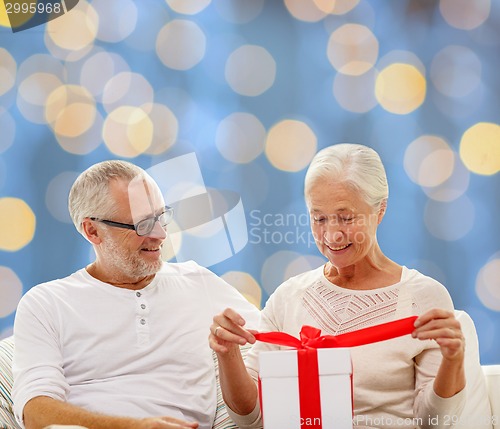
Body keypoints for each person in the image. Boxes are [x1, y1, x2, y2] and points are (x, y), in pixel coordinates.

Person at [209, 144, 469, 429]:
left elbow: (434, 423)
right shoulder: (288, 298)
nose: (331, 235)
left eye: (346, 218)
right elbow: (252, 420)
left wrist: (453, 361)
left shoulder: (423, 298)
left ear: (379, 210)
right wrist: (228, 353)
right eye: (318, 218)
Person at [12, 160, 260, 429]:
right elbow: (35, 413)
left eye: (161, 217)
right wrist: (134, 427)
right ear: (92, 230)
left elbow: (281, 342)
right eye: (143, 224)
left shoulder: (198, 283)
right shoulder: (46, 304)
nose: (161, 234)